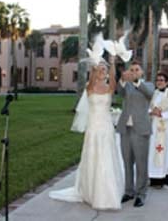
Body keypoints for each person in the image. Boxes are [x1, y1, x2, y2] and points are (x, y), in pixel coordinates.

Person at [49, 56, 124, 210]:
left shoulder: (110, 87)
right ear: (95, 72)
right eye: (100, 70)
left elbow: (113, 77)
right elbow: (91, 80)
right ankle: (91, 192)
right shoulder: (90, 87)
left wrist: (112, 62)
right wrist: (95, 65)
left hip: (107, 126)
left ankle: (108, 192)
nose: (103, 72)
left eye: (104, 69)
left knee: (107, 156)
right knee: (93, 156)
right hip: (94, 127)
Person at [116, 61, 154, 207]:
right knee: (127, 162)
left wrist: (136, 81)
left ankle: (141, 194)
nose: (133, 72)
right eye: (131, 70)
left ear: (142, 72)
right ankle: (129, 191)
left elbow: (149, 94)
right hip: (125, 129)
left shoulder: (148, 85)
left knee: (141, 164)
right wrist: (122, 79)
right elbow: (119, 92)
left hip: (141, 130)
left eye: (136, 70)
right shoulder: (127, 86)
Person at [148, 72, 168, 188]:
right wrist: (151, 112)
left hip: (167, 128)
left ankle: (163, 178)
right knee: (153, 151)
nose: (159, 82)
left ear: (167, 82)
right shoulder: (154, 94)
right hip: (155, 127)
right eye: (157, 80)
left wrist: (161, 114)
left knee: (166, 152)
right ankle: (153, 178)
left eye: (162, 80)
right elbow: (148, 108)